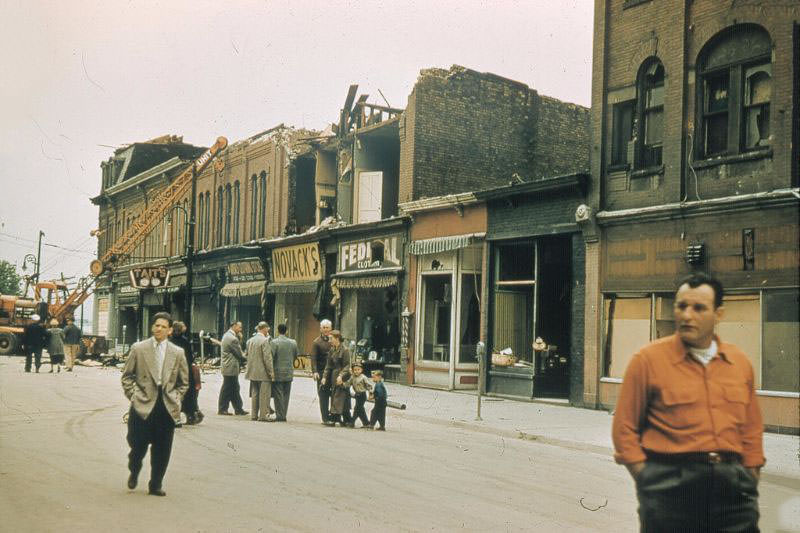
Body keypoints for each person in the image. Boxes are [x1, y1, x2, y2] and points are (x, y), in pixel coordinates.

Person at [612, 272, 764, 532]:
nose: (687, 315)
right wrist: (647, 479)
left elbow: (751, 428)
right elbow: (624, 428)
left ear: (718, 314)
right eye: (681, 306)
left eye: (699, 308)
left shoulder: (739, 363)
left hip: (733, 491)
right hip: (671, 489)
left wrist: (750, 475)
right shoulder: (647, 360)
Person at [121, 312, 189, 496]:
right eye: (156, 325)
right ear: (152, 327)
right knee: (137, 444)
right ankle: (134, 469)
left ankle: (155, 484)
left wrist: (177, 398)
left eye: (163, 326)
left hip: (166, 406)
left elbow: (184, 382)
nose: (159, 329)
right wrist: (134, 396)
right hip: (142, 404)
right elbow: (127, 376)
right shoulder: (139, 348)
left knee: (163, 448)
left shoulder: (178, 352)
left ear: (169, 331)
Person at [170, 321, 202, 426]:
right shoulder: (185, 342)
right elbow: (190, 357)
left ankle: (175, 416)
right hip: (185, 371)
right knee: (189, 394)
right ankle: (191, 415)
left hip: (173, 372)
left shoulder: (169, 341)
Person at [322, 330, 352, 427]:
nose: (329, 340)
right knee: (335, 395)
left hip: (343, 376)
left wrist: (341, 376)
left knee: (341, 396)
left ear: (337, 338)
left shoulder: (345, 350)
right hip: (333, 376)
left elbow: (347, 365)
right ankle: (341, 418)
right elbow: (328, 365)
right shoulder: (332, 350)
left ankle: (337, 418)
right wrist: (324, 377)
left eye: (331, 338)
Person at [245, 322, 274, 422]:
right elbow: (267, 358)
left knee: (255, 393)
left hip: (252, 372)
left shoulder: (250, 341)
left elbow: (247, 355)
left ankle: (254, 415)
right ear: (264, 328)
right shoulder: (265, 341)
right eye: (267, 329)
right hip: (263, 373)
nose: (268, 331)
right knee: (264, 394)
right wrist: (271, 372)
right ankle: (263, 415)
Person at [218, 321, 248, 416]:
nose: (241, 329)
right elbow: (239, 354)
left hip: (228, 366)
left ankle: (238, 408)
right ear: (234, 326)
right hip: (230, 367)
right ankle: (223, 408)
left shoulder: (227, 335)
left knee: (234, 388)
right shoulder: (232, 339)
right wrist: (248, 358)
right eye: (239, 327)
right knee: (227, 388)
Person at [270, 323, 298, 422]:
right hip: (289, 371)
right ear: (286, 331)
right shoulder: (293, 342)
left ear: (278, 331)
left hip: (278, 371)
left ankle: (280, 415)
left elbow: (271, 357)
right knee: (286, 394)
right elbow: (295, 356)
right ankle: (284, 413)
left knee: (278, 395)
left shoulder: (274, 342)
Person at [310, 319, 333, 424]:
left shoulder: (334, 340)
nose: (325, 330)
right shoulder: (316, 342)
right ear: (320, 329)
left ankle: (334, 415)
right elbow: (313, 358)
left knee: (335, 395)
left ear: (331, 328)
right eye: (323, 327)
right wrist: (315, 371)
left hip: (333, 372)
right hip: (321, 372)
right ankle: (325, 418)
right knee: (323, 395)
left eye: (327, 327)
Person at [345, 360, 372, 428]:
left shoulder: (363, 377)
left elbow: (369, 386)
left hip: (362, 395)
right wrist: (342, 384)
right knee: (360, 410)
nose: (357, 371)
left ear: (361, 370)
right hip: (357, 395)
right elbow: (348, 383)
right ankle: (366, 423)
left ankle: (352, 422)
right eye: (355, 370)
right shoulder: (352, 377)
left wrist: (371, 393)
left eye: (358, 370)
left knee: (357, 409)